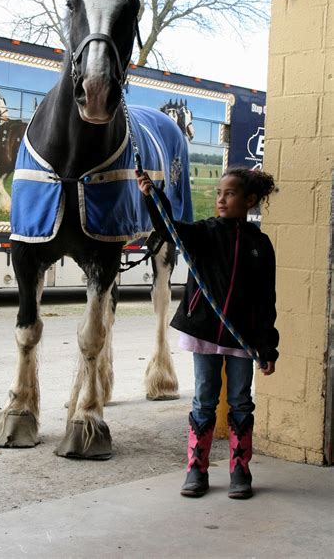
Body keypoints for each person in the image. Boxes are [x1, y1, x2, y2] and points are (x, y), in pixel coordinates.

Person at [137, 166, 278, 500]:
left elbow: (266, 300)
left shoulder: (260, 245)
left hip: (242, 338)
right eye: (218, 193)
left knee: (241, 401)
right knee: (204, 399)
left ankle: (240, 471)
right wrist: (152, 196)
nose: (221, 199)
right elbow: (168, 228)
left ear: (249, 200)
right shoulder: (205, 232)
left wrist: (268, 348)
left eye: (229, 193)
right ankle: (196, 470)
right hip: (205, 332)